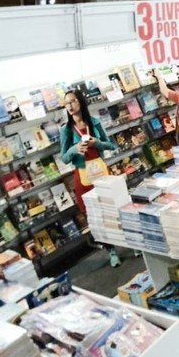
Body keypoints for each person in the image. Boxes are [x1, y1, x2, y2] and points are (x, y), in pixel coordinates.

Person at [60, 89, 119, 266]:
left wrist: (96, 143)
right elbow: (64, 157)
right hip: (84, 176)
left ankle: (130, 242)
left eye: (73, 101)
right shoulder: (66, 130)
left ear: (81, 102)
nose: (70, 106)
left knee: (113, 207)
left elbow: (111, 145)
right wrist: (74, 149)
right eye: (67, 103)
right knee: (95, 215)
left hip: (101, 171)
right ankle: (111, 250)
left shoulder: (94, 122)